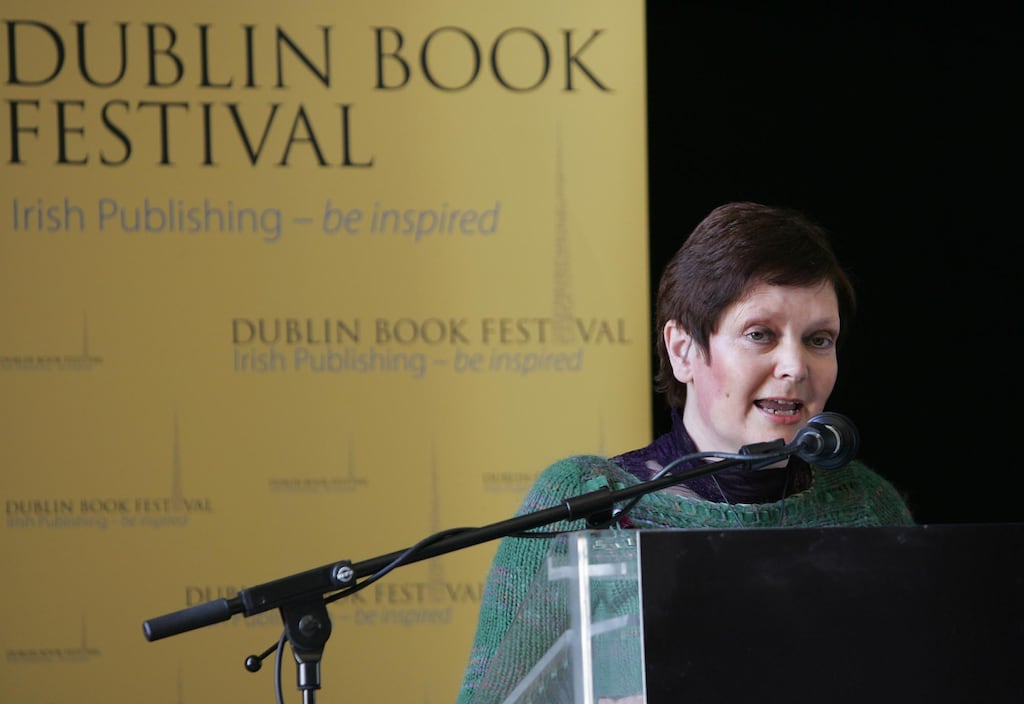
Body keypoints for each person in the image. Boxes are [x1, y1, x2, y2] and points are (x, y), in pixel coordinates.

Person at [455, 201, 914, 704]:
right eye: (760, 334)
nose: (794, 366)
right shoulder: (588, 502)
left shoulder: (868, 506)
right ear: (682, 350)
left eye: (818, 339)